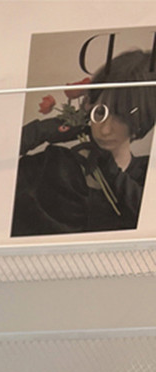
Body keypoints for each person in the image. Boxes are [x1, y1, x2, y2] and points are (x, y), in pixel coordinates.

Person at [11, 48, 156, 236]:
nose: (105, 129)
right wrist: (44, 130)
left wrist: (110, 169)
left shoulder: (147, 175)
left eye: (120, 117)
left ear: (142, 119)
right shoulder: (53, 163)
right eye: (100, 112)